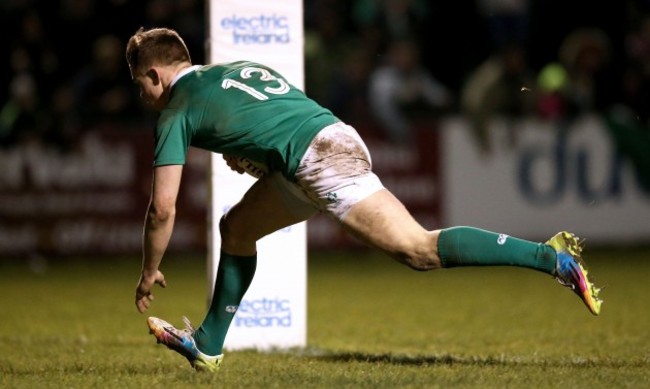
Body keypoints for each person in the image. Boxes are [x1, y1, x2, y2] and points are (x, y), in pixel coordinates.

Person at [125, 27, 602, 373]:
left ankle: (551, 257)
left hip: (317, 159)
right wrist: (248, 153)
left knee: (418, 249)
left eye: (139, 85)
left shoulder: (177, 108)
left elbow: (162, 208)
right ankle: (208, 345)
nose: (142, 96)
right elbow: (269, 112)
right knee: (237, 228)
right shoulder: (227, 73)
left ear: (154, 74)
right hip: (325, 140)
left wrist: (149, 271)